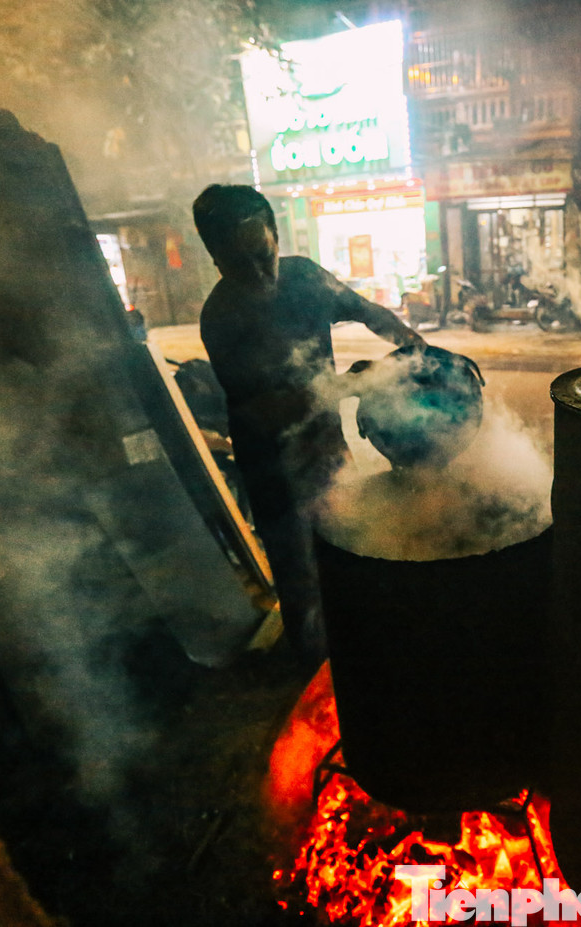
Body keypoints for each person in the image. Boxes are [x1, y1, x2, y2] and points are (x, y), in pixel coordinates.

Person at [191, 183, 425, 661]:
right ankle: (313, 677)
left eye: (263, 254)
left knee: (353, 548)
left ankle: (361, 656)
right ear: (215, 260)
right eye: (240, 263)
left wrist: (412, 347)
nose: (258, 272)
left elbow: (367, 312)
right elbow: (268, 409)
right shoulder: (220, 317)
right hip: (272, 471)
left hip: (327, 448)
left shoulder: (303, 278)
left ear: (276, 235)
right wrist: (351, 384)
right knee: (302, 583)